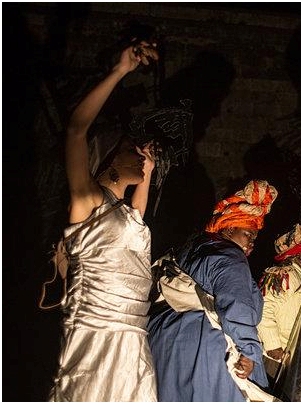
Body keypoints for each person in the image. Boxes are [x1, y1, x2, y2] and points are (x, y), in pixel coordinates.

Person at [49, 41, 160, 401]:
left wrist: (151, 172)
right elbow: (76, 132)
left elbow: (136, 226)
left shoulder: (128, 215)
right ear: (110, 159)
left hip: (134, 344)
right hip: (95, 342)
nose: (141, 157)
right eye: (133, 150)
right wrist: (120, 71)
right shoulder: (88, 200)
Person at [147, 180, 278, 401]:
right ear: (229, 228)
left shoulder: (192, 248)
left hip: (165, 341)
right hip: (202, 347)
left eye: (255, 238)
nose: (252, 243)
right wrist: (249, 351)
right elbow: (237, 305)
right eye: (248, 234)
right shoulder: (230, 257)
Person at [257, 223, 301, 364]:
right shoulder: (283, 274)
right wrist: (273, 345)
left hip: (291, 352)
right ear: (299, 257)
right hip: (276, 356)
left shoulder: (296, 276)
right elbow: (264, 307)